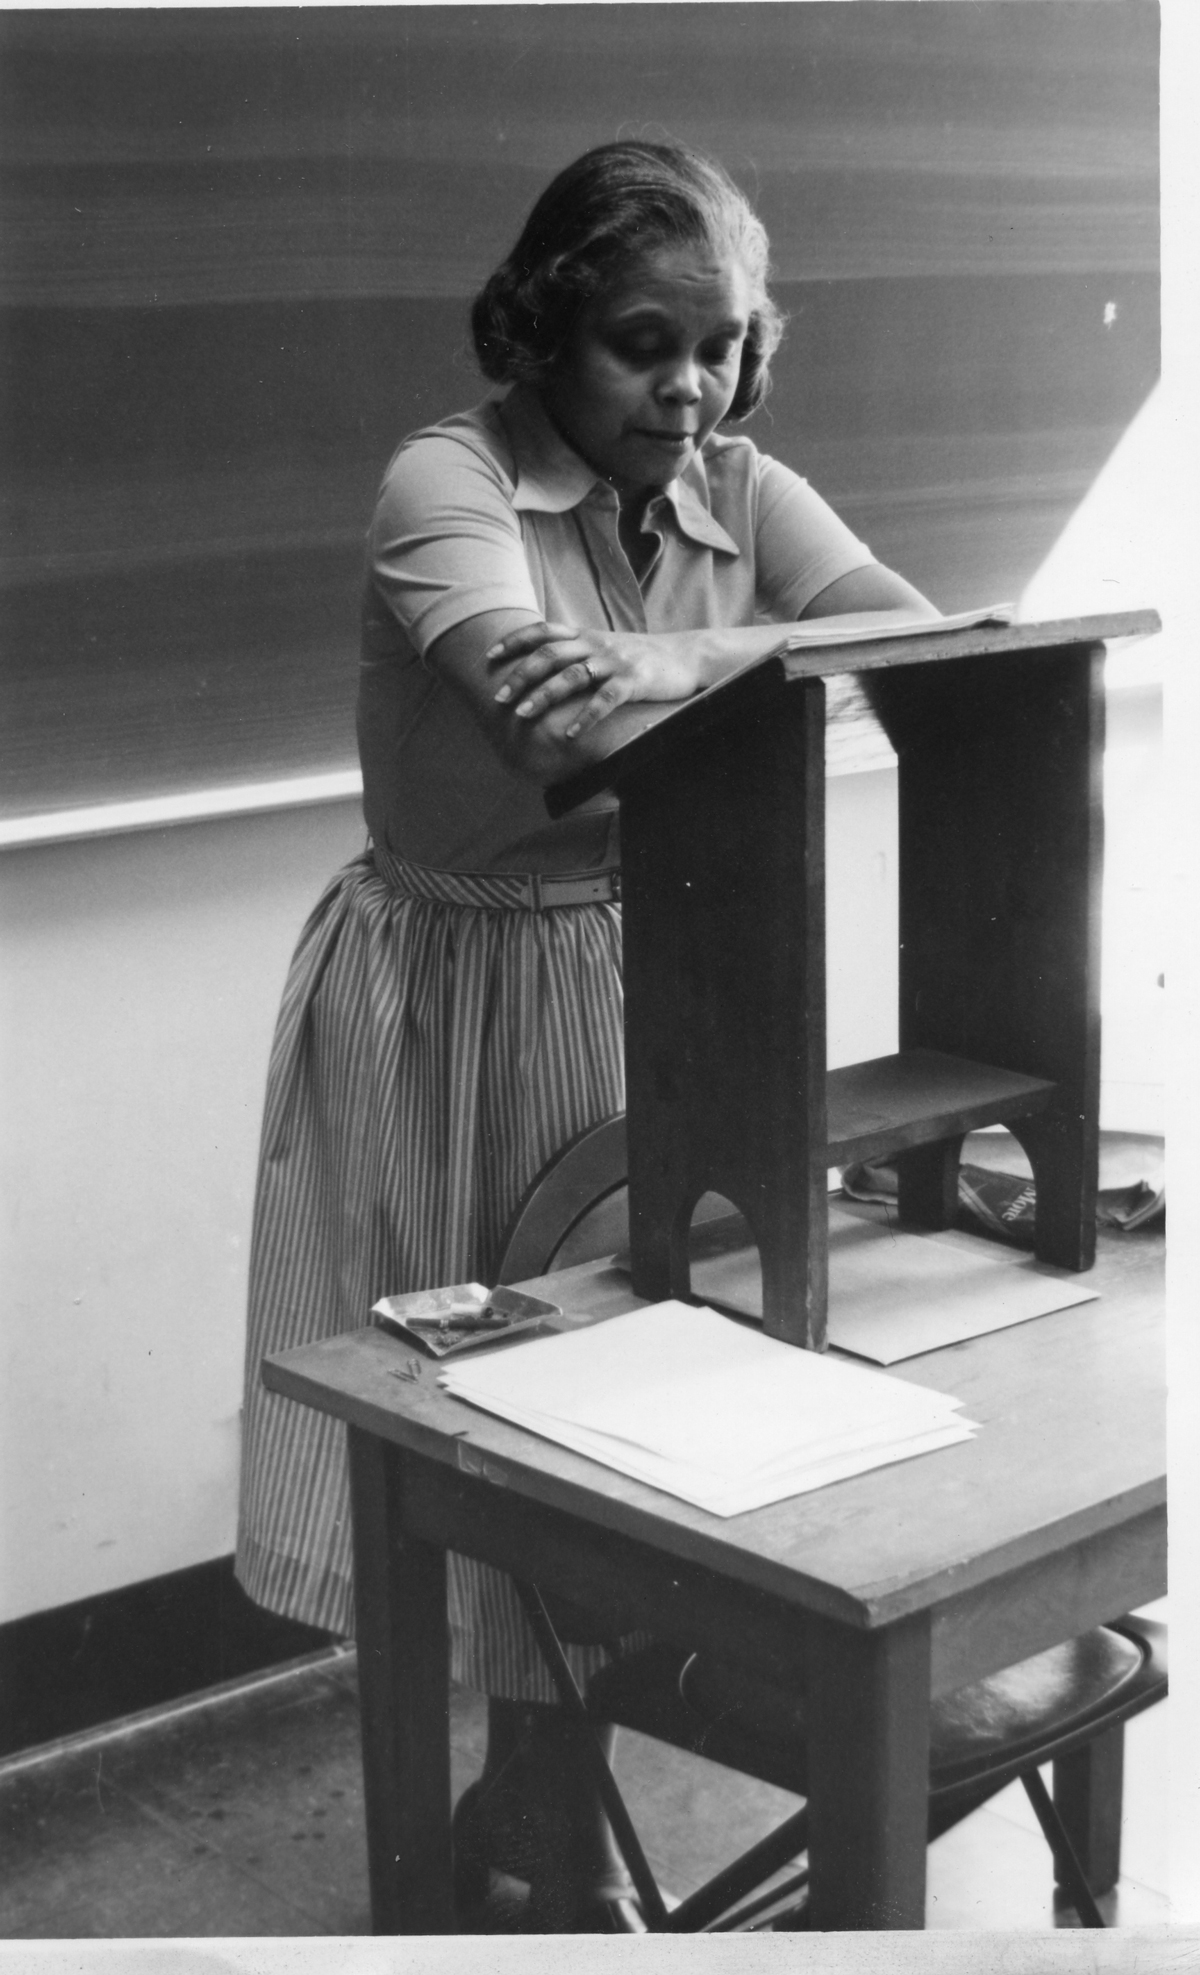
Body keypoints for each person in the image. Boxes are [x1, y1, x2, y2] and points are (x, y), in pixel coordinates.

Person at [235, 138, 933, 1931]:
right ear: (548, 331)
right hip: (454, 990)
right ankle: (520, 1821)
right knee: (476, 1417)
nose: (688, 388)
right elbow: (552, 730)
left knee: (640, 1399)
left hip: (650, 976)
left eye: (722, 348)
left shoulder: (739, 482)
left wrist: (677, 663)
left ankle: (541, 1798)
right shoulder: (443, 479)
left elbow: (927, 652)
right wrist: (744, 671)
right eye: (644, 341)